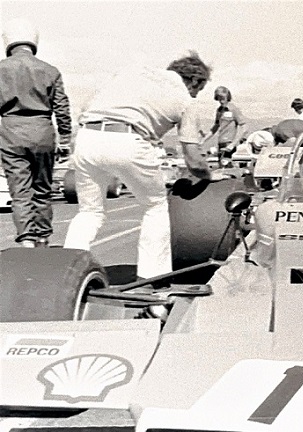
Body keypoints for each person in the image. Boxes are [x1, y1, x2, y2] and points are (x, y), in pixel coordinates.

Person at [63, 51, 218, 280]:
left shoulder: (131, 72)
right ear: (194, 81)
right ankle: (151, 277)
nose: (195, 94)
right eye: (198, 89)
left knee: (89, 212)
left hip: (87, 137)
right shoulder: (185, 100)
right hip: (128, 140)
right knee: (155, 207)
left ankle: (66, 271)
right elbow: (193, 161)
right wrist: (210, 175)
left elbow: (85, 107)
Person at [0, 18, 72, 248]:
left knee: (20, 191)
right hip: (42, 130)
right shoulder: (50, 71)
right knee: (42, 189)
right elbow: (62, 108)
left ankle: (26, 239)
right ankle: (42, 237)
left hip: (10, 131)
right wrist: (66, 139)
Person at [199, 86, 248, 168]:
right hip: (221, 144)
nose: (221, 100)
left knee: (228, 168)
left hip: (229, 144)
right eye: (219, 97)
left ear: (227, 97)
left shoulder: (233, 109)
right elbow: (216, 127)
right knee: (222, 168)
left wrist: (233, 144)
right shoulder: (219, 110)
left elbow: (244, 127)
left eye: (223, 97)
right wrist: (203, 140)